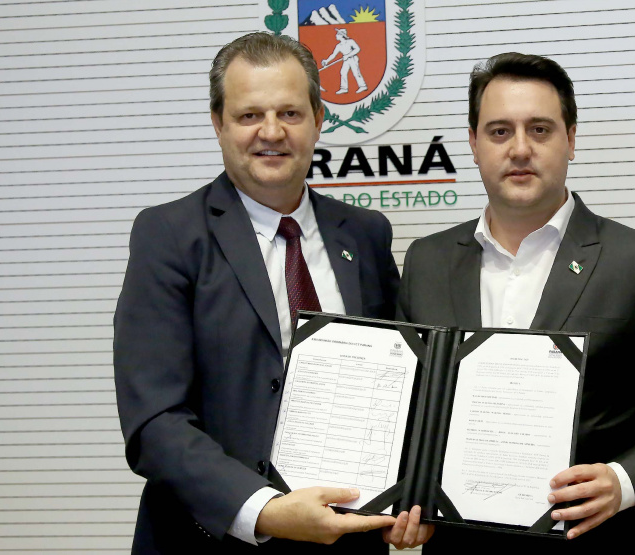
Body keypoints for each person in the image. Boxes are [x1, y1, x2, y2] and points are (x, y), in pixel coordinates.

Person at [397, 52, 635, 554]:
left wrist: (622, 482)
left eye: (540, 129)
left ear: (570, 140)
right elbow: (410, 410)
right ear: (472, 144)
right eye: (498, 131)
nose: (519, 149)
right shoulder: (425, 260)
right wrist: (404, 499)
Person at [114, 32, 431, 553]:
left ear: (318, 118)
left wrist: (415, 495)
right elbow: (154, 421)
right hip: (209, 539)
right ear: (218, 123)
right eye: (248, 115)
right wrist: (263, 509)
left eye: (289, 113)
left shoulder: (366, 234)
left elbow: (400, 385)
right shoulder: (169, 235)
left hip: (348, 539)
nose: (271, 132)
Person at [322, 28, 368, 94]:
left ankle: (363, 86)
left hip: (353, 58)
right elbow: (333, 55)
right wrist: (327, 61)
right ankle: (344, 88)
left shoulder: (350, 41)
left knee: (356, 73)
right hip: (346, 60)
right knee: (343, 72)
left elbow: (357, 49)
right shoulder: (338, 46)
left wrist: (348, 55)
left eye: (337, 35)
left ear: (341, 36)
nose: (336, 36)